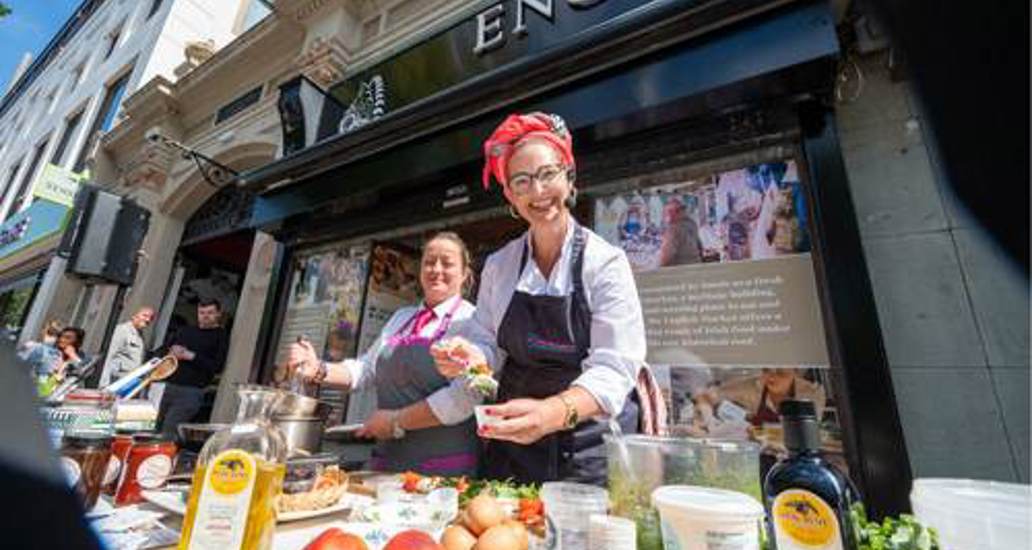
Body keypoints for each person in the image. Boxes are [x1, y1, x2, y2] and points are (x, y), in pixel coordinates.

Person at [434, 112, 663, 485]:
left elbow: (613, 369)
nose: (537, 192)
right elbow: (488, 341)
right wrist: (470, 356)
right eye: (522, 181)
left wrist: (552, 413)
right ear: (509, 194)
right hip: (513, 443)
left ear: (569, 174)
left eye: (547, 174)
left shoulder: (605, 263)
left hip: (586, 447)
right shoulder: (500, 264)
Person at [286, 232, 481, 476]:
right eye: (429, 262)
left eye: (447, 263)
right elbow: (366, 370)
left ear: (464, 273)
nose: (436, 269)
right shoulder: (402, 318)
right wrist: (319, 369)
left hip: (443, 465)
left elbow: (464, 398)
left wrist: (395, 421)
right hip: (389, 460)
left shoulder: (473, 321)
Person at [156, 299, 229, 438]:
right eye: (201, 312)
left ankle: (163, 458)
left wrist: (192, 356)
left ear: (218, 314)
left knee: (169, 431)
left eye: (210, 313)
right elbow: (160, 352)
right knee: (151, 427)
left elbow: (217, 366)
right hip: (166, 386)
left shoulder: (221, 336)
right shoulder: (185, 330)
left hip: (191, 391)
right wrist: (171, 351)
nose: (205, 316)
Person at [20, 326, 87, 396]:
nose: (62, 339)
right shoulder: (44, 351)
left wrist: (73, 357)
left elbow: (82, 380)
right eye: (61, 336)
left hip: (57, 399)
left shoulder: (76, 361)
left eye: (68, 338)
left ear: (78, 343)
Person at [98, 307, 155, 387]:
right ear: (134, 316)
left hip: (127, 383)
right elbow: (109, 356)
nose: (148, 320)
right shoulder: (122, 330)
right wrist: (103, 384)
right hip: (114, 382)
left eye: (151, 318)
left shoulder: (141, 337)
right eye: (144, 316)